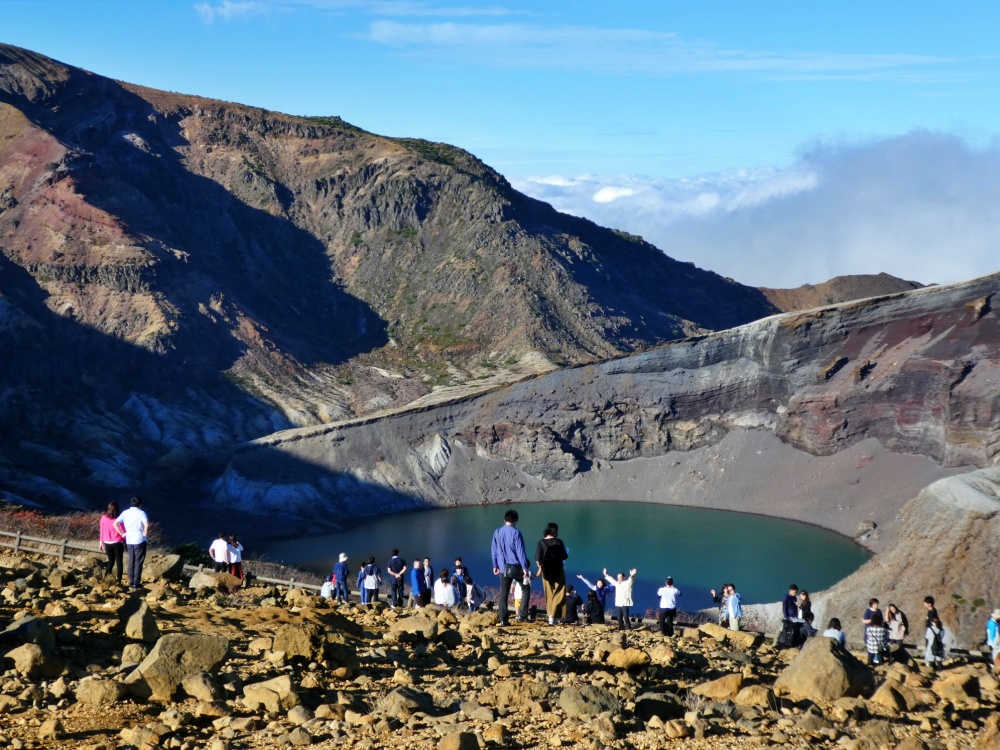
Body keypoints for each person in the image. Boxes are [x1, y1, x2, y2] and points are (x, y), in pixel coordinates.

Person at [491, 509, 531, 625]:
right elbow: (520, 552)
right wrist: (525, 568)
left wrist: (495, 565)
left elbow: (493, 550)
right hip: (516, 567)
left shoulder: (497, 532)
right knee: (526, 588)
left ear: (505, 520)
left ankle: (503, 619)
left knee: (504, 593)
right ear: (515, 521)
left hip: (503, 568)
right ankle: (523, 615)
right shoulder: (516, 533)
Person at [535, 522, 569, 625]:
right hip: (558, 570)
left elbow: (538, 559)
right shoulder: (559, 542)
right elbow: (564, 556)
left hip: (546, 571)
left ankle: (550, 615)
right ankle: (554, 615)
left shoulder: (541, 543)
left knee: (549, 594)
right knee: (559, 592)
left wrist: (540, 568)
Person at [114, 496, 149, 591]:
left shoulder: (125, 513)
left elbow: (115, 523)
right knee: (138, 561)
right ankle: (136, 582)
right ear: (140, 504)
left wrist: (122, 533)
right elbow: (146, 524)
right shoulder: (141, 513)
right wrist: (145, 533)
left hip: (129, 538)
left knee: (131, 560)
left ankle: (131, 581)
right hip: (139, 538)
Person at [99, 501, 125, 584]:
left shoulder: (104, 518)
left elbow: (102, 530)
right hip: (118, 542)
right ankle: (119, 581)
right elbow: (122, 530)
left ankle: (106, 577)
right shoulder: (118, 519)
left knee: (111, 561)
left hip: (107, 542)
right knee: (119, 562)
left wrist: (101, 542)